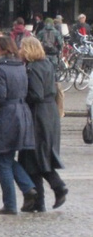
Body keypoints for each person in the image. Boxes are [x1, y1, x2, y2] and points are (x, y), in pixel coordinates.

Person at [0, 35, 37, 215]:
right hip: (22, 113)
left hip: (7, 115)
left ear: (4, 50)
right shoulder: (21, 66)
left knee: (3, 161)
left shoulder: (1, 69)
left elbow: (1, 96)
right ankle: (28, 188)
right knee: (8, 158)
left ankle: (11, 204)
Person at [19, 37, 68, 212]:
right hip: (50, 113)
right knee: (40, 156)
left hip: (38, 114)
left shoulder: (32, 68)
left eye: (22, 48)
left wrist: (21, 98)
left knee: (33, 157)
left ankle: (55, 188)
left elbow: (36, 94)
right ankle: (42, 199)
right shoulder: (47, 64)